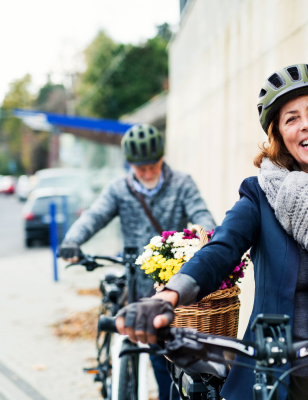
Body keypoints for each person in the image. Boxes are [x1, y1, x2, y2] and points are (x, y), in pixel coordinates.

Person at [115, 64, 308, 400]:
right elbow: (222, 250)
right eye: (291, 118)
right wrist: (167, 296)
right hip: (279, 377)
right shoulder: (259, 197)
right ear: (279, 136)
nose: (306, 123)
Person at [59, 123, 216, 400]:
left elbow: (202, 215)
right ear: (130, 164)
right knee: (144, 339)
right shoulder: (119, 189)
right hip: (136, 279)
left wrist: (210, 241)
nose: (146, 173)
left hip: (172, 281)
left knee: (169, 352)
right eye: (140, 168)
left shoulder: (182, 183)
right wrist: (73, 240)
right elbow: (94, 216)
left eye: (152, 166)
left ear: (161, 159)